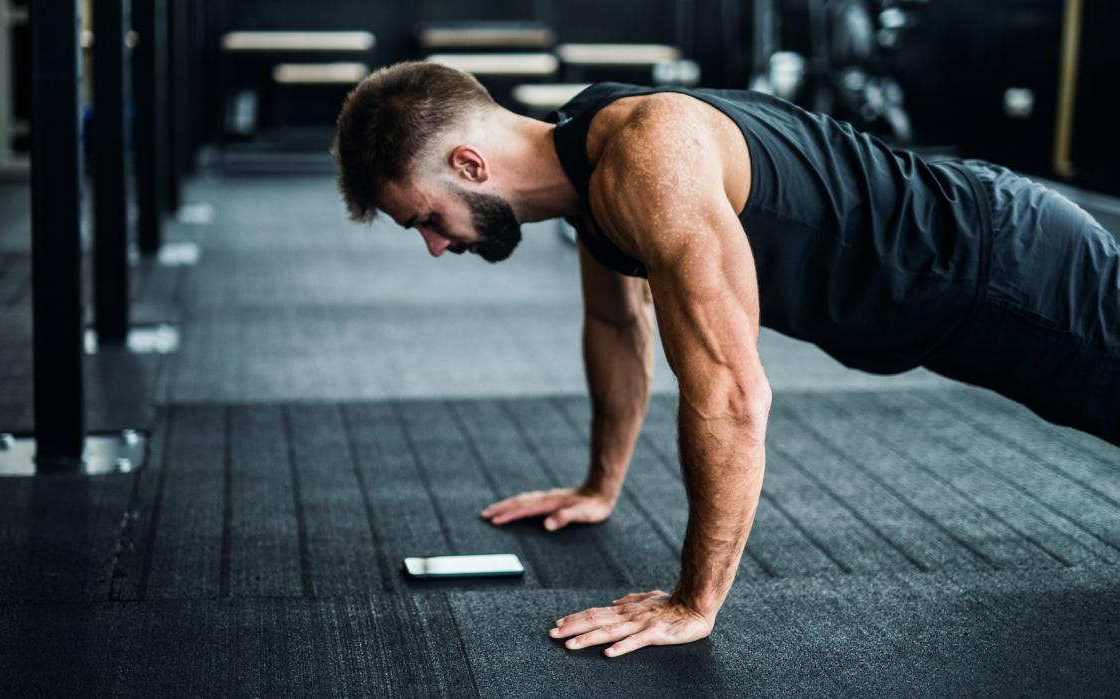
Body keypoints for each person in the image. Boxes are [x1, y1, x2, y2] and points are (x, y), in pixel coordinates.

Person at [331, 61, 1120, 657]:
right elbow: (615, 325)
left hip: (1009, 273)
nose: (437, 246)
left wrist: (693, 602)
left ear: (469, 164)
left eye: (425, 219)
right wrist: (600, 484)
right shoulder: (587, 162)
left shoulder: (646, 160)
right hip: (965, 284)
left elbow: (734, 392)